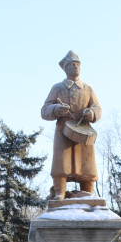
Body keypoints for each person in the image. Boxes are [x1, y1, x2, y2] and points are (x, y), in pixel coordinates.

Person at [41, 51, 101, 201]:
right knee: (62, 163)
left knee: (86, 164)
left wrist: (92, 113)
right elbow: (44, 110)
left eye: (77, 64)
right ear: (65, 68)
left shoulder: (88, 89)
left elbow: (98, 108)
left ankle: (88, 193)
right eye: (72, 65)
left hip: (84, 131)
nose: (75, 67)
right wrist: (55, 109)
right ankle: (59, 192)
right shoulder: (57, 88)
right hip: (63, 130)